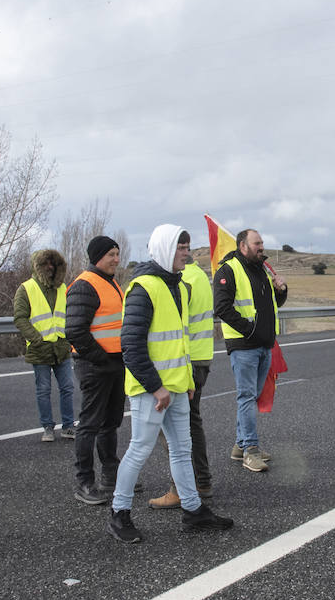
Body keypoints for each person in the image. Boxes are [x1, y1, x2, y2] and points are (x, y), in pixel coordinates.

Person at [107, 225, 232, 543]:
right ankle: (119, 513)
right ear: (164, 249)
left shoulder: (176, 285)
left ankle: (193, 511)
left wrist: (187, 380)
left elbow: (180, 340)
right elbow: (131, 345)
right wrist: (155, 387)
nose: (187, 254)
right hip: (153, 391)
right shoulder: (143, 288)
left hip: (176, 387)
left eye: (187, 248)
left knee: (181, 450)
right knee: (139, 450)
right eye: (181, 248)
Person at [213, 228, 287, 473]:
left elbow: (271, 305)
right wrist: (250, 330)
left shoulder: (262, 269)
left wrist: (281, 291)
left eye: (262, 243)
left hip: (264, 344)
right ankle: (251, 451)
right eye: (257, 243)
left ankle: (240, 445)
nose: (262, 247)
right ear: (243, 245)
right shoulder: (228, 270)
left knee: (251, 397)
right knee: (246, 397)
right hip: (244, 345)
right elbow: (222, 308)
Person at [149, 248, 216, 508]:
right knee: (191, 422)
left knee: (173, 429)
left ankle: (181, 487)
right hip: (200, 358)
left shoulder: (181, 279)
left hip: (184, 362)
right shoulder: (198, 275)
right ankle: (201, 481)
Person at [65, 236, 126, 505]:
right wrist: (102, 359)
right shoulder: (84, 285)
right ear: (98, 256)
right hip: (95, 365)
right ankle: (84, 483)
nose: (116, 258)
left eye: (117, 253)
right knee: (89, 424)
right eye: (111, 254)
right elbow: (75, 331)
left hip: (114, 363)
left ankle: (111, 478)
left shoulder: (110, 282)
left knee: (110, 423)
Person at [13, 249, 75, 442]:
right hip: (40, 349)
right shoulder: (26, 288)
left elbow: (70, 315)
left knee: (67, 387)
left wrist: (69, 339)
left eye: (53, 263)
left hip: (61, 347)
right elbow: (20, 318)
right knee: (43, 390)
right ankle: (48, 427)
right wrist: (37, 339)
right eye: (45, 263)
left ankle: (68, 426)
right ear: (36, 266)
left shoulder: (63, 288)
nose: (50, 267)